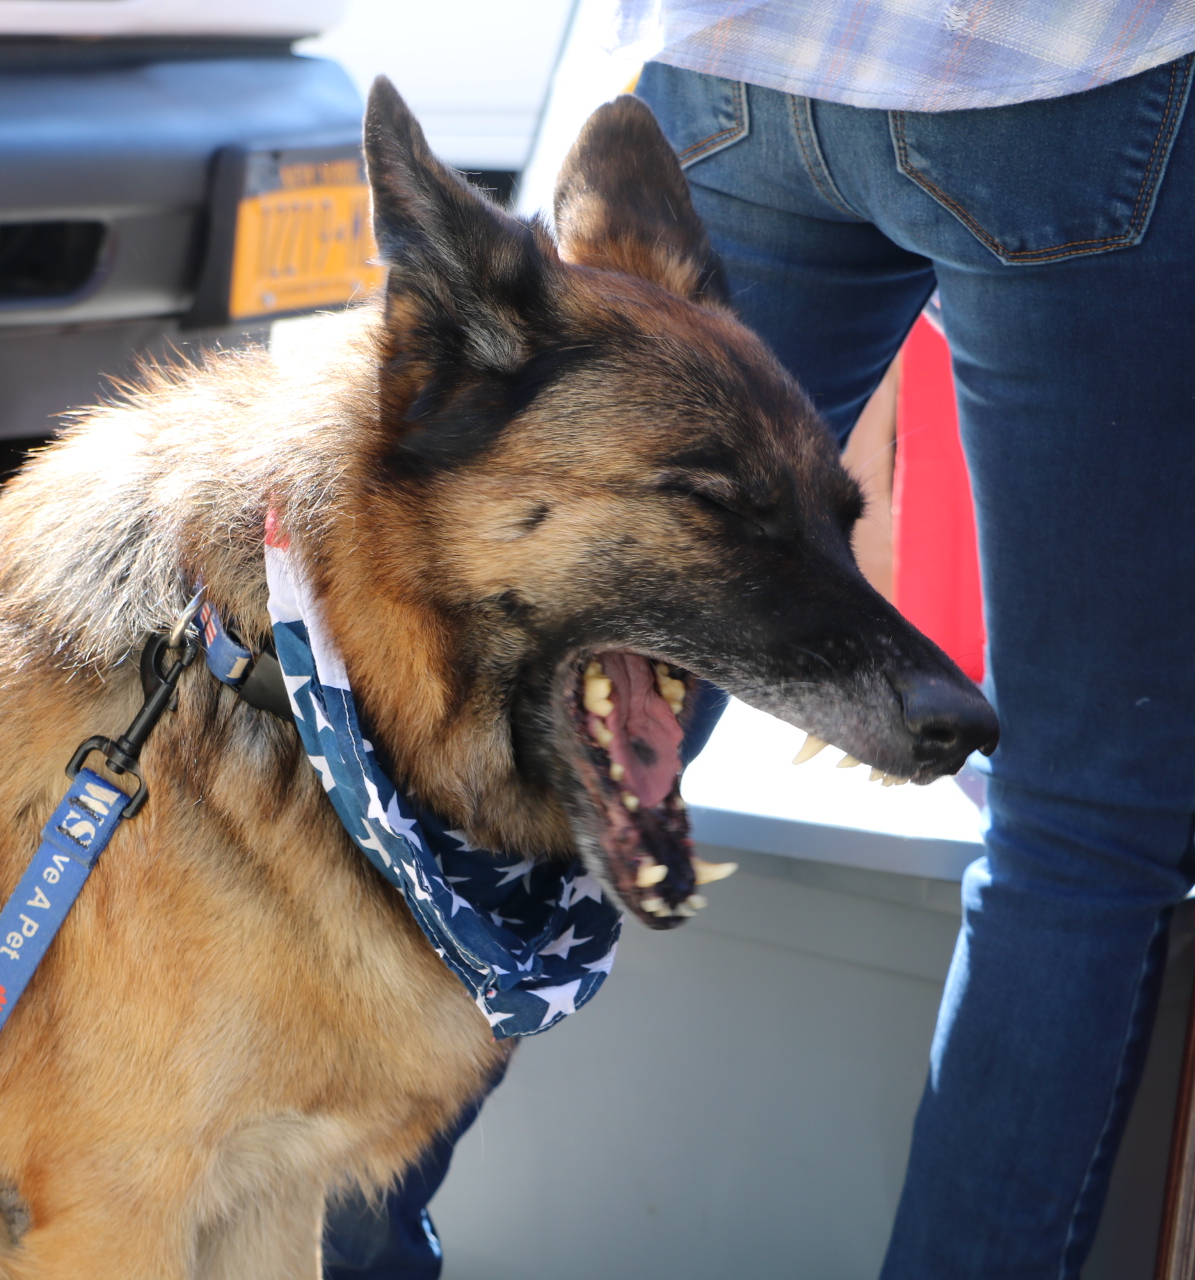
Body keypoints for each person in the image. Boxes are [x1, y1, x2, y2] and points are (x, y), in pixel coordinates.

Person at [327, 5, 1195, 1276]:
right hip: (1072, 76)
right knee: (1081, 824)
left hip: (748, 61)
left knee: (561, 709)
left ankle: (341, 1246)